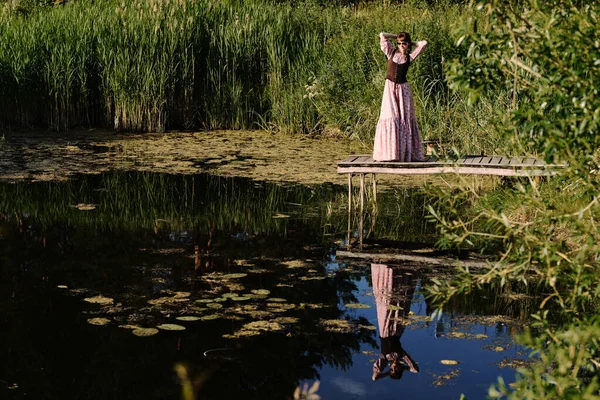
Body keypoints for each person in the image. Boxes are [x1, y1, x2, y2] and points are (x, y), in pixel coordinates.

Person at [373, 32, 428, 162]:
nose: (401, 45)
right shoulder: (391, 53)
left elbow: (423, 43)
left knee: (404, 118)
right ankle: (390, 154)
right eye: (399, 43)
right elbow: (382, 35)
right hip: (390, 88)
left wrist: (412, 42)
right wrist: (396, 37)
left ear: (408, 44)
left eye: (404, 43)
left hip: (403, 90)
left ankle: (404, 154)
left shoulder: (410, 57)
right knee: (391, 116)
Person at [371, 263, 420, 380]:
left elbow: (374, 377)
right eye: (396, 369)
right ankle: (402, 272)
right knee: (401, 304)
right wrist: (404, 368)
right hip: (397, 329)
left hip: (385, 329)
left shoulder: (385, 358)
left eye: (392, 369)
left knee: (386, 304)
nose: (394, 367)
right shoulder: (401, 355)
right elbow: (415, 370)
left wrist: (387, 373)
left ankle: (387, 272)